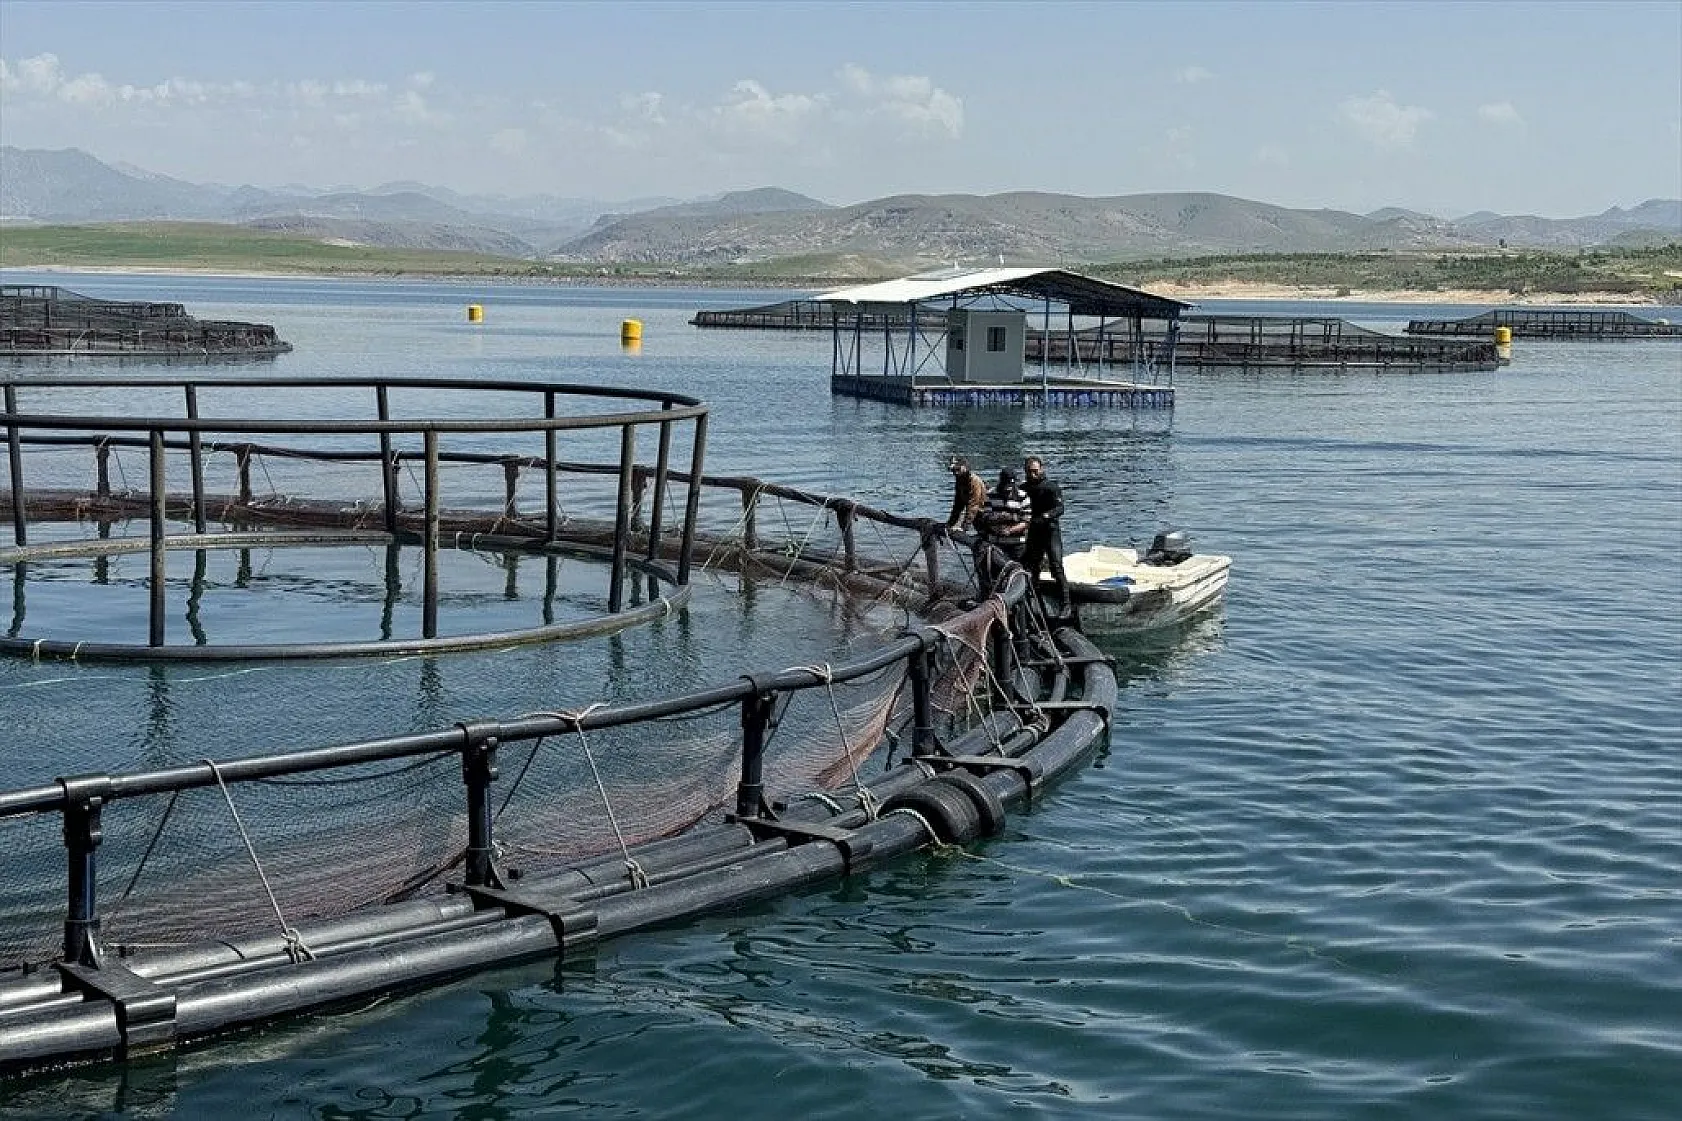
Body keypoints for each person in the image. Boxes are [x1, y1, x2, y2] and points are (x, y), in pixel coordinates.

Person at [1019, 454, 1070, 610]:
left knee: (1056, 565)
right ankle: (1034, 599)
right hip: (1034, 532)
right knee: (1032, 566)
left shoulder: (1051, 487)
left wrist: (1047, 515)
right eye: (1029, 471)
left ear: (1041, 469)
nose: (1033, 474)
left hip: (1050, 531)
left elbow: (1060, 508)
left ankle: (1066, 603)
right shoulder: (1023, 489)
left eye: (1035, 471)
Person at [972, 467, 1029, 595]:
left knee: (1017, 573)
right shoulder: (990, 495)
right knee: (996, 575)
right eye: (1006, 486)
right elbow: (986, 516)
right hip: (997, 544)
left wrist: (1010, 530)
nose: (1008, 489)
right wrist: (1000, 524)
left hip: (1017, 544)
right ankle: (993, 597)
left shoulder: (1023, 496)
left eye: (1011, 486)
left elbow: (1026, 521)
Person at [945, 456, 986, 533]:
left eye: (958, 469)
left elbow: (973, 506)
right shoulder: (959, 481)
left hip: (983, 515)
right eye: (953, 470)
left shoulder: (974, 481)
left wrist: (964, 527)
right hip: (974, 515)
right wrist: (950, 524)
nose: (955, 473)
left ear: (965, 468)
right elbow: (958, 505)